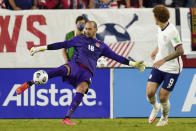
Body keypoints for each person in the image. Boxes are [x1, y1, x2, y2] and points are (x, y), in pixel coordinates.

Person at [16, 21, 146, 125]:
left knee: (82, 89)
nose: (87, 31)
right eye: (86, 28)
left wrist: (133, 64)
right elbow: (61, 44)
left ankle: (66, 118)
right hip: (75, 65)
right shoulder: (79, 39)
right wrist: (40, 48)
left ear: (96, 30)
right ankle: (28, 84)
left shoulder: (101, 46)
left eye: (90, 29)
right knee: (61, 70)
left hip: (87, 72)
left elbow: (116, 57)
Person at [146, 5, 184, 126]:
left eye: (154, 16)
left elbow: (180, 51)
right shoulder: (160, 27)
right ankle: (155, 107)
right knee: (150, 92)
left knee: (163, 97)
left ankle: (164, 118)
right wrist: (156, 51)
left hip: (172, 68)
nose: (153, 18)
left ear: (157, 18)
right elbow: (161, 41)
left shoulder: (172, 31)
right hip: (159, 65)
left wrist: (163, 60)